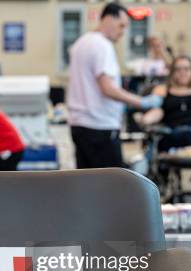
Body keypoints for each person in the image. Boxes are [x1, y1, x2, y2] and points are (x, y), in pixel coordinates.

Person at [67, 2, 162, 169]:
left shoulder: (81, 43)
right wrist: (141, 102)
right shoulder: (102, 45)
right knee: (111, 185)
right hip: (100, 127)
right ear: (109, 19)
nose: (123, 32)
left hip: (79, 125)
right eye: (121, 26)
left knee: (87, 182)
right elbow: (108, 89)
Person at [135, 56, 191, 152]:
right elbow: (157, 111)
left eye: (186, 69)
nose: (182, 73)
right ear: (172, 72)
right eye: (178, 69)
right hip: (173, 131)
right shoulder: (162, 90)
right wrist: (145, 120)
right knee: (183, 133)